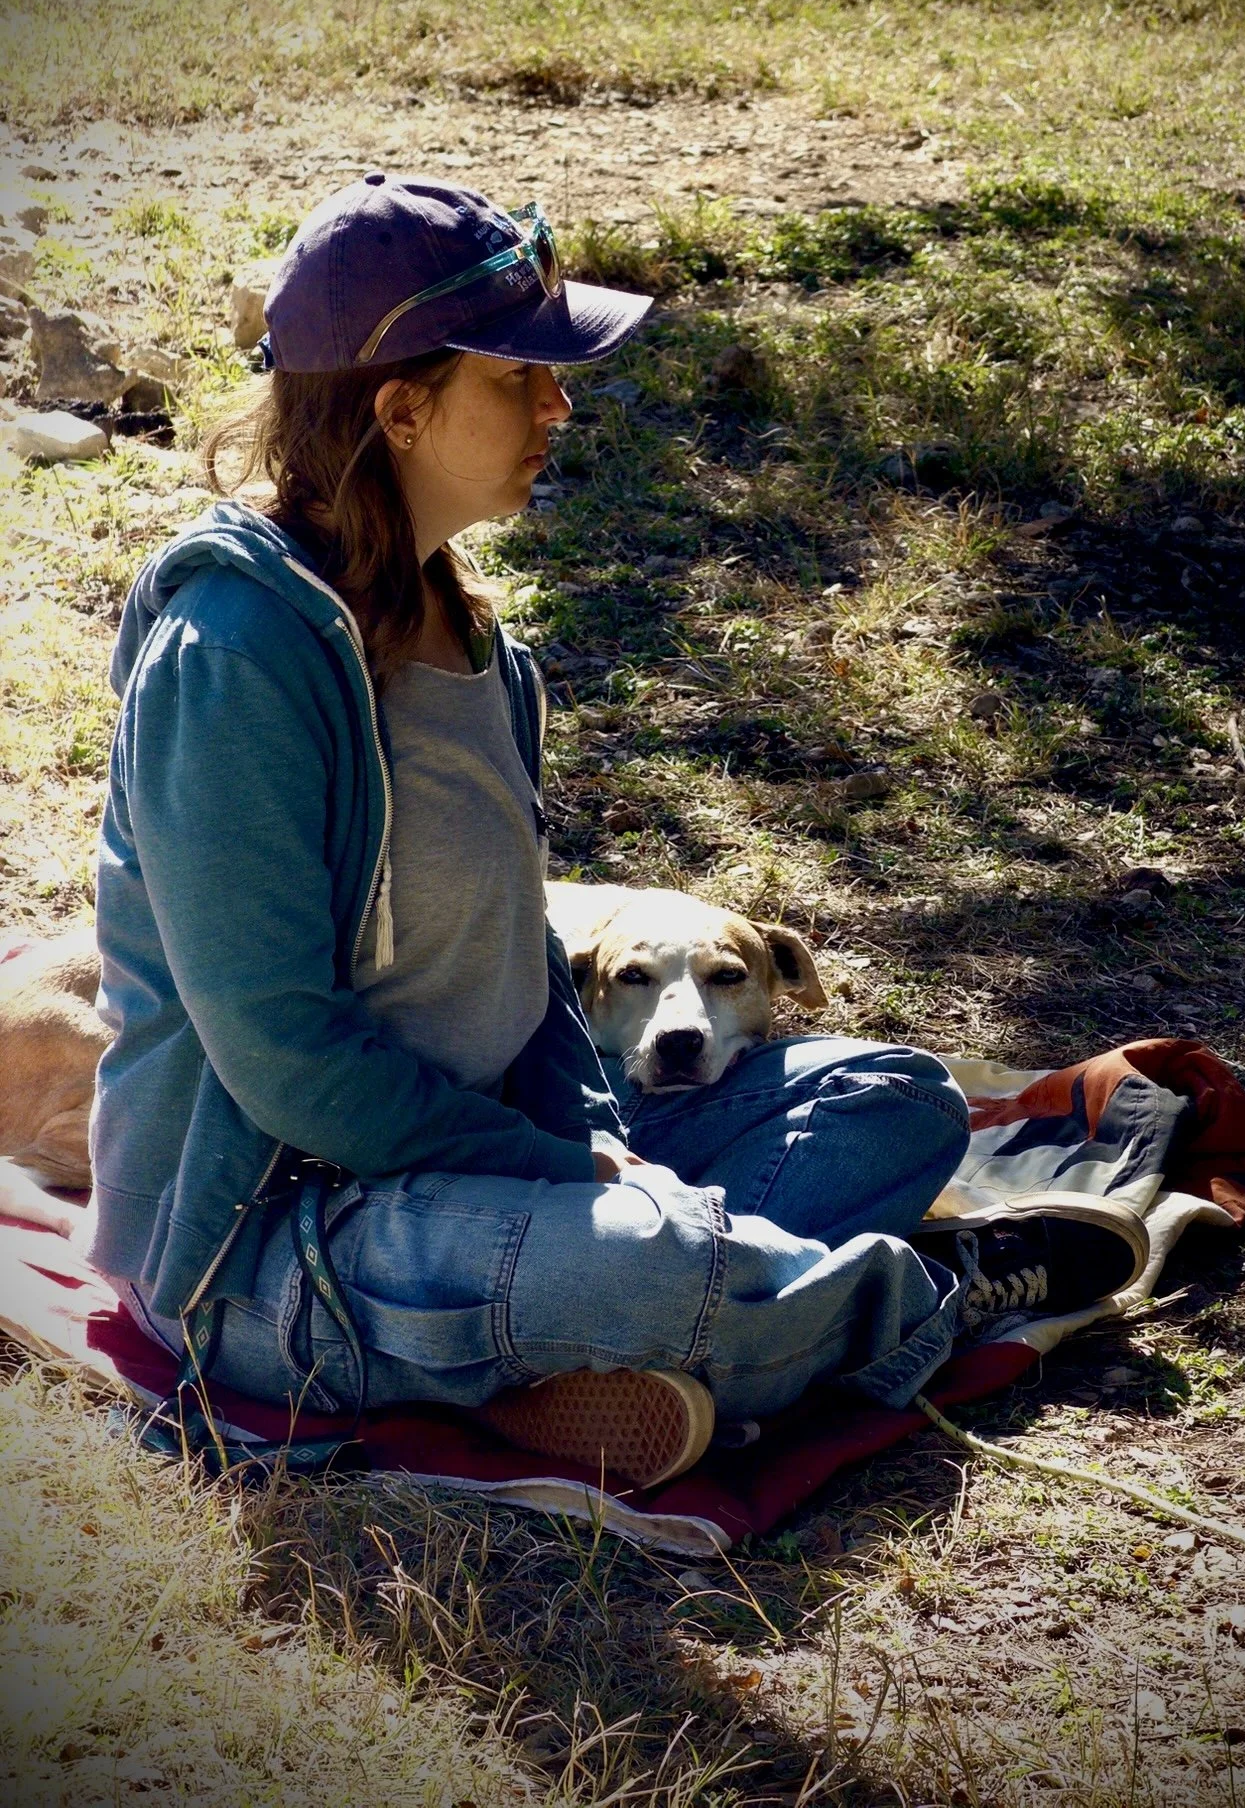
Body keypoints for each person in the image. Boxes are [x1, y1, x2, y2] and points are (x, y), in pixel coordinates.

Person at [80, 174, 1143, 1490]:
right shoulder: (234, 656)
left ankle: (640, 1335)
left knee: (895, 1100)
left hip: (488, 1155)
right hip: (285, 1237)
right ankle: (917, 1292)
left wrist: (600, 1137)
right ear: (400, 409)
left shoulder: (477, 644)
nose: (558, 406)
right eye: (519, 376)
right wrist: (566, 1174)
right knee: (645, 1258)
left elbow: (511, 967)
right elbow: (286, 1063)